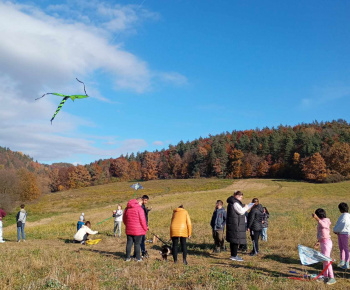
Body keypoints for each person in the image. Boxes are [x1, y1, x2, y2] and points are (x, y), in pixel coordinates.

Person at [312, 208, 336, 285]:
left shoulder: (325, 221)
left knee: (327, 260)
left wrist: (316, 218)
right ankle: (325, 276)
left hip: (326, 243)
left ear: (319, 215)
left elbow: (324, 226)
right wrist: (318, 241)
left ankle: (332, 278)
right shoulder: (321, 221)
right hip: (323, 242)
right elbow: (322, 233)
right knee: (324, 260)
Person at [226, 190, 249, 261]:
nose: (241, 199)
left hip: (234, 223)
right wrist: (246, 207)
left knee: (233, 240)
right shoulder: (235, 203)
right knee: (235, 240)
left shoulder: (233, 202)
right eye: (241, 197)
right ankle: (234, 255)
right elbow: (241, 211)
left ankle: (233, 255)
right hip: (235, 224)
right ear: (237, 196)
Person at [123, 198, 148, 262]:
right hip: (138, 230)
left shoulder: (127, 208)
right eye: (141, 203)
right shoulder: (139, 209)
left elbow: (124, 219)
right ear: (139, 202)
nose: (141, 204)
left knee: (129, 243)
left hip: (129, 229)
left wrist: (127, 225)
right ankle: (138, 258)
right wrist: (145, 228)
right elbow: (142, 220)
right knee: (137, 244)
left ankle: (127, 257)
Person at [333, 202, 350, 269]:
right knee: (341, 248)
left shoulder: (345, 217)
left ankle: (347, 263)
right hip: (341, 233)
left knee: (345, 248)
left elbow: (342, 225)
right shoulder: (344, 216)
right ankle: (342, 261)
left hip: (344, 234)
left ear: (341, 209)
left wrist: (335, 230)